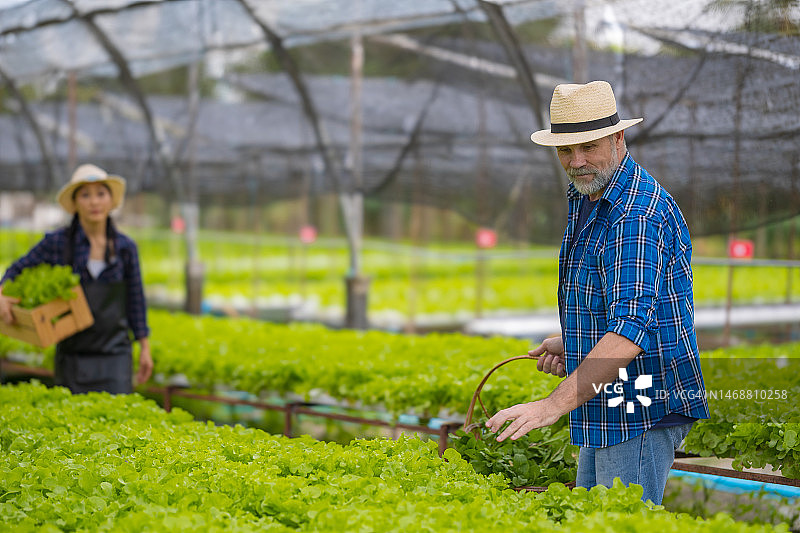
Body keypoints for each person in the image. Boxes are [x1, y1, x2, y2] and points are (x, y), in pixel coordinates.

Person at [486, 81, 709, 505]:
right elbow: (616, 308)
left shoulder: (635, 215)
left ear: (618, 137)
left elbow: (629, 332)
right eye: (565, 151)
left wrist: (549, 406)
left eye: (588, 147)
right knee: (594, 517)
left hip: (640, 400)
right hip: (609, 392)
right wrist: (574, 344)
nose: (577, 161)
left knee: (617, 523)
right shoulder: (590, 194)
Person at [0, 164, 152, 394]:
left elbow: (136, 300)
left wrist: (145, 347)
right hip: (73, 357)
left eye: (101, 194)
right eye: (85, 195)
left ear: (111, 201)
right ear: (75, 203)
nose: (94, 202)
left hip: (116, 357)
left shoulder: (125, 248)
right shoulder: (57, 243)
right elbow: (18, 268)